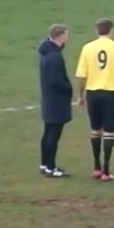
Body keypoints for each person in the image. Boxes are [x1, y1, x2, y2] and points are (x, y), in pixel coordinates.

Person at [75, 18, 114, 181]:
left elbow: (82, 75)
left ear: (97, 30)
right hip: (110, 93)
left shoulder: (87, 48)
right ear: (111, 30)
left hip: (93, 93)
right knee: (109, 132)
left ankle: (96, 167)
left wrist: (80, 95)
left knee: (95, 130)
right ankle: (106, 171)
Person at [38, 24, 73, 178]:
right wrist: (68, 87)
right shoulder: (55, 57)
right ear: (61, 36)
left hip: (48, 100)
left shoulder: (46, 54)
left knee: (47, 133)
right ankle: (51, 168)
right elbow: (56, 81)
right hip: (56, 102)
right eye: (66, 35)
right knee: (53, 135)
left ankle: (45, 165)